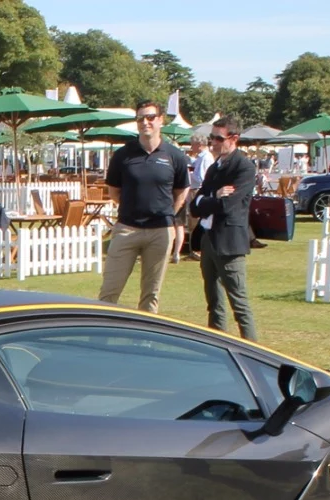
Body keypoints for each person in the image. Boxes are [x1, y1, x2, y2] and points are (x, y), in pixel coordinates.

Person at [98, 100, 191, 315]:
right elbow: (114, 192)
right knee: (109, 291)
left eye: (150, 117)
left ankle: (146, 334)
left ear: (160, 120)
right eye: (140, 118)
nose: (145, 122)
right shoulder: (123, 155)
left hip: (160, 231)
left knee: (151, 294)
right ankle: (101, 330)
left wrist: (169, 213)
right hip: (127, 229)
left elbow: (181, 191)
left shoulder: (174, 155)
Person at [190, 116, 258, 341]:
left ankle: (253, 351)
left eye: (218, 138)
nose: (213, 142)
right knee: (214, 303)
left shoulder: (244, 167)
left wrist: (207, 200)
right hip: (208, 238)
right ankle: (217, 348)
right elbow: (194, 206)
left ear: (234, 138)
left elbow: (228, 206)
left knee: (239, 304)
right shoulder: (214, 168)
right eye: (211, 137)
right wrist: (213, 196)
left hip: (229, 243)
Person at [178, 135, 212, 263]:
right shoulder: (201, 157)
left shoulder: (205, 157)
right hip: (196, 190)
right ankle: (195, 249)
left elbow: (201, 178)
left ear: (199, 144)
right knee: (193, 221)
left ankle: (196, 250)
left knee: (195, 221)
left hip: (197, 190)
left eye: (193, 144)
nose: (191, 147)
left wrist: (188, 173)